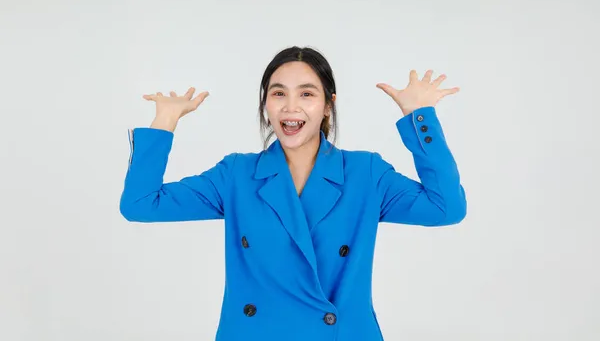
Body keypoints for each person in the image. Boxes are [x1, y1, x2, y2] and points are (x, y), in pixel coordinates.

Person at [119, 46, 467, 341]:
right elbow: (141, 204)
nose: (290, 106)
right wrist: (165, 120)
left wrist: (420, 118)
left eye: (306, 93)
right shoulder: (237, 175)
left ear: (328, 105)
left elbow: (445, 208)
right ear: (265, 104)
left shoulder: (366, 173)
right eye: (278, 93)